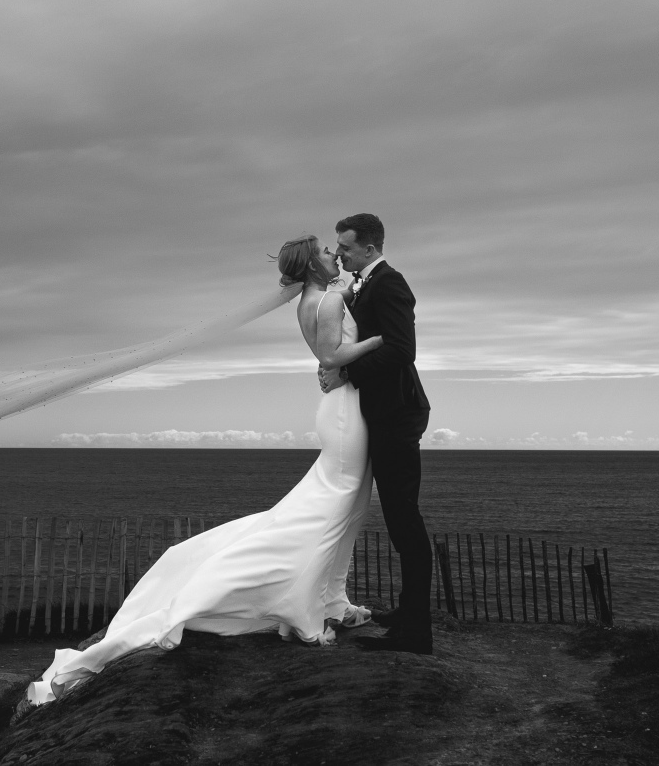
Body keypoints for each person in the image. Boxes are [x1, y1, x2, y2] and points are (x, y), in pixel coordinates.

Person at [24, 233, 390, 706]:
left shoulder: (318, 298)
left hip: (344, 405)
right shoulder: (327, 301)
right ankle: (307, 609)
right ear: (311, 266)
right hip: (344, 412)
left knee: (351, 507)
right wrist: (379, 340)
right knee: (336, 506)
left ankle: (334, 599)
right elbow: (330, 358)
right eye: (324, 251)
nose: (332, 254)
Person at [326, 212, 433, 654]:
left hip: (398, 412)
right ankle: (408, 612)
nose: (339, 254)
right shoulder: (365, 284)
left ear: (369, 248)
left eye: (346, 247)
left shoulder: (390, 283)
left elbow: (402, 350)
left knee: (404, 518)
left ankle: (417, 634)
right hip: (384, 412)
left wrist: (348, 373)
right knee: (397, 518)